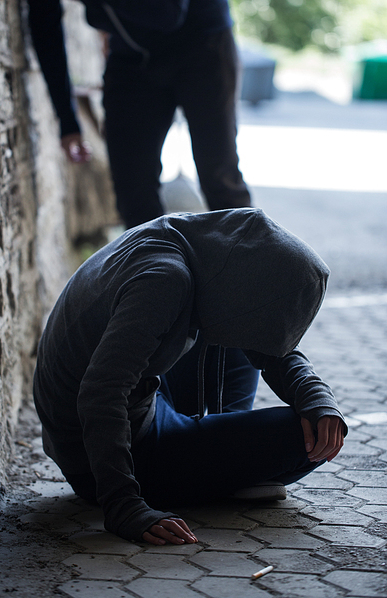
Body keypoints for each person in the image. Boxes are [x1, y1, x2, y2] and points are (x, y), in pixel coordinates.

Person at [33, 208, 346, 544]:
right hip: (102, 458)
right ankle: (221, 464)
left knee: (237, 329)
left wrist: (315, 396)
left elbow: (267, 344)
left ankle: (217, 448)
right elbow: (100, 393)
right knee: (302, 441)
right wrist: (124, 505)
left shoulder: (186, 242)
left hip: (140, 398)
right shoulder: (164, 281)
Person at [16, 0, 251, 229]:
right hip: (131, 56)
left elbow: (171, 12)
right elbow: (45, 28)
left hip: (200, 41)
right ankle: (159, 280)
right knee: (131, 186)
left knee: (218, 173)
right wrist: (68, 121)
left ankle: (250, 277)